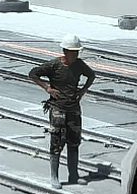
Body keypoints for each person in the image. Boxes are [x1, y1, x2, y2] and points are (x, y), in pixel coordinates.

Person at [30, 42, 93, 184]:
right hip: (58, 108)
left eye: (77, 52)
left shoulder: (79, 64)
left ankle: (74, 175)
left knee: (74, 141)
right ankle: (54, 177)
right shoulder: (54, 65)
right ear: (65, 51)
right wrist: (47, 87)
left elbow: (91, 76)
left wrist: (83, 90)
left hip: (73, 109)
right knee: (56, 142)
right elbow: (33, 73)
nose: (76, 54)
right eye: (73, 52)